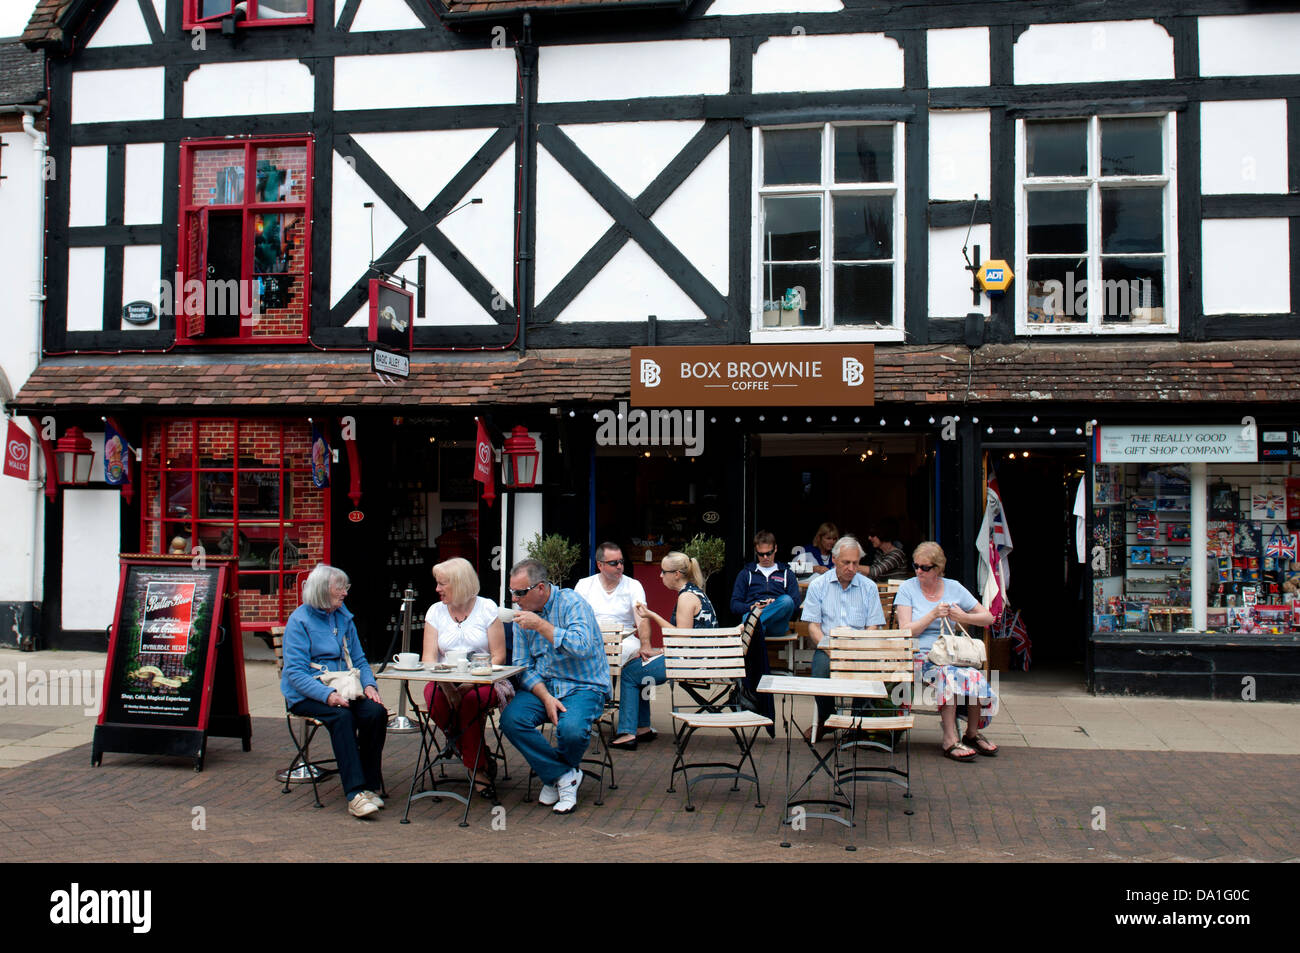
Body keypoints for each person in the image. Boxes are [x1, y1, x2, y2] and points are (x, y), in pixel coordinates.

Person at [499, 558, 610, 814]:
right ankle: (563, 776)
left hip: (584, 685)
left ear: (540, 588)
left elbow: (582, 647)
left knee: (570, 730)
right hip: (544, 686)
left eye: (520, 592)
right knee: (511, 720)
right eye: (512, 592)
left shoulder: (572, 603)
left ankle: (553, 777)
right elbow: (522, 665)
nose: (514, 599)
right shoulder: (522, 616)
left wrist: (540, 625)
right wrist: (545, 697)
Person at [280, 563, 388, 818]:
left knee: (376, 713)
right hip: (307, 694)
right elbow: (295, 673)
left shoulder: (344, 617)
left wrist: (370, 685)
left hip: (344, 687)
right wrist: (327, 696)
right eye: (339, 588)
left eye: (345, 587)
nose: (345, 593)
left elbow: (360, 660)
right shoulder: (299, 621)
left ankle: (370, 785)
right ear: (321, 589)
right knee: (342, 716)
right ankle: (355, 793)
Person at [893, 541, 998, 762]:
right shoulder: (907, 589)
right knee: (949, 675)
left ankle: (971, 734)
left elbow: (988, 617)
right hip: (920, 654)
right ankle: (949, 739)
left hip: (951, 654)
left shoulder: (954, 587)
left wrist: (964, 617)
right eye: (916, 566)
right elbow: (905, 631)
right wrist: (932, 615)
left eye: (925, 567)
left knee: (974, 674)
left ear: (938, 568)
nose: (919, 571)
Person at [420, 557, 509, 800]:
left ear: (459, 584)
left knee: (469, 703)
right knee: (434, 698)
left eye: (442, 584)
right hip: (445, 681)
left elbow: (498, 656)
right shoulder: (435, 611)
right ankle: (477, 756)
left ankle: (476, 769)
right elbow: (428, 659)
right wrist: (449, 688)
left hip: (484, 679)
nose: (437, 589)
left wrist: (469, 684)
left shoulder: (487, 608)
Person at [621, 551, 718, 749]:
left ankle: (627, 732)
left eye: (663, 572)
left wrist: (652, 615)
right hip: (699, 658)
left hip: (691, 663)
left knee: (630, 673)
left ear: (677, 574)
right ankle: (642, 727)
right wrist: (661, 651)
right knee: (640, 670)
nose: (660, 575)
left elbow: (681, 638)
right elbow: (687, 638)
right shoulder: (694, 592)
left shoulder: (686, 597)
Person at [801, 536, 885, 739]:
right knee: (819, 672)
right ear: (834, 559)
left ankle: (856, 723)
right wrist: (830, 649)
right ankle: (827, 719)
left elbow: (873, 625)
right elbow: (813, 626)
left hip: (860, 646)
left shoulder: (869, 587)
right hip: (829, 644)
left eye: (855, 563)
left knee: (870, 671)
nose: (851, 568)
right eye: (846, 562)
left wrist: (860, 649)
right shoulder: (818, 585)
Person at [729, 530, 802, 723]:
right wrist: (753, 607)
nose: (765, 557)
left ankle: (750, 623)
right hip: (755, 617)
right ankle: (753, 620)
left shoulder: (786, 573)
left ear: (775, 549)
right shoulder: (746, 573)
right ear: (756, 552)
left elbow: (794, 604)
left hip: (777, 622)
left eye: (768, 553)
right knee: (749, 615)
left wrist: (773, 605)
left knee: (785, 601)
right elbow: (734, 604)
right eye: (761, 554)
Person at [575, 542, 650, 642]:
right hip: (592, 639)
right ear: (600, 565)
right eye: (613, 563)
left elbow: (642, 619)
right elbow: (575, 619)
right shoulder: (584, 585)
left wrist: (645, 645)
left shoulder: (633, 585)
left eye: (621, 562)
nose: (619, 566)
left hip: (624, 640)